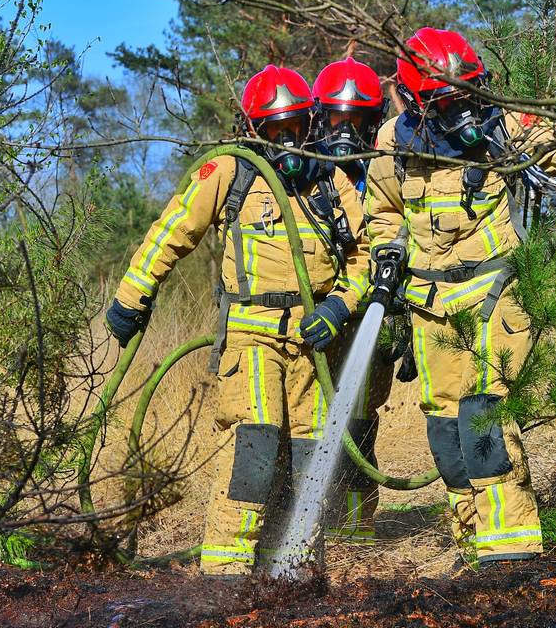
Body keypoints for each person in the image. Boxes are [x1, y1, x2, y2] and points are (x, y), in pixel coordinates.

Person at [364, 27, 556, 568]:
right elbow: (384, 210)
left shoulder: (503, 131)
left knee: (483, 414)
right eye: (448, 99)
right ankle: (473, 541)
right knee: (441, 422)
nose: (463, 107)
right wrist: (387, 252)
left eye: (469, 93)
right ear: (417, 100)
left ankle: (512, 549)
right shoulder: (393, 143)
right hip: (428, 303)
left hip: (493, 293)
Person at [104, 64, 369, 577]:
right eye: (276, 130)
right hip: (252, 334)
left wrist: (339, 305)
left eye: (296, 126)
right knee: (255, 446)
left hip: (312, 341)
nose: (288, 140)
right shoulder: (230, 171)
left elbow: (363, 256)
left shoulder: (332, 179)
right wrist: (132, 293)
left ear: (311, 122)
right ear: (253, 130)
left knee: (311, 456)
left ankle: (293, 569)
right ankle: (226, 574)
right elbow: (174, 229)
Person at [309, 56, 392, 544]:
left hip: (370, 321)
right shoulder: (304, 172)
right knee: (307, 419)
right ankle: (305, 511)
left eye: (357, 120)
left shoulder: (387, 170)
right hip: (316, 312)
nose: (346, 131)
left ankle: (357, 519)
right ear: (320, 118)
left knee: (357, 420)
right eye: (338, 119)